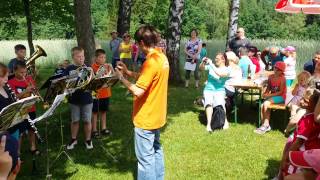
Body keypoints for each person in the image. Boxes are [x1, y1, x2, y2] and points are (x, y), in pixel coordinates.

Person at [115, 25, 169, 180]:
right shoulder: (162, 57)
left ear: (141, 42)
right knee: (156, 149)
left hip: (146, 117)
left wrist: (121, 78)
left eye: (137, 43)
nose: (136, 46)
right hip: (157, 115)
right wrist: (128, 72)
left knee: (145, 159)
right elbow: (147, 77)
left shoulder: (151, 61)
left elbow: (138, 91)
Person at [276, 88, 320, 179]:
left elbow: (299, 142)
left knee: (291, 171)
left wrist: (287, 155)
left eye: (306, 101)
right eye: (302, 98)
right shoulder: (311, 117)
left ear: (315, 106)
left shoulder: (308, 120)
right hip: (311, 154)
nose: (301, 101)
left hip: (302, 152)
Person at [8, 61, 39, 155]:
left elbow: (35, 92)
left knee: (31, 129)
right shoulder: (10, 82)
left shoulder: (29, 78)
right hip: (19, 111)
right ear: (14, 71)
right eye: (21, 72)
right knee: (20, 132)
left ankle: (33, 147)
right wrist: (25, 90)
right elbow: (14, 98)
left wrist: (35, 92)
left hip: (31, 109)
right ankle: (17, 153)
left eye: (25, 72)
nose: (24, 74)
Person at [65, 47, 93, 150]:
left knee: (87, 120)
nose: (81, 58)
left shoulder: (88, 67)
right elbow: (65, 83)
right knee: (75, 120)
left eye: (83, 56)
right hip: (74, 100)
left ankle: (88, 139)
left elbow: (93, 81)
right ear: (73, 57)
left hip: (87, 99)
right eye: (79, 56)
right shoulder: (69, 69)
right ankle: (73, 139)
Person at [200, 53, 230, 132]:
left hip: (219, 90)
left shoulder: (227, 69)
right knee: (208, 103)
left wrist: (211, 64)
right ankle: (209, 124)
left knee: (220, 103)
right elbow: (201, 68)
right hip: (208, 89)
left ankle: (225, 121)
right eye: (215, 58)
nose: (215, 60)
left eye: (217, 58)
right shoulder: (211, 66)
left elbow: (220, 74)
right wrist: (203, 62)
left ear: (223, 59)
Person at [254, 61, 287, 134]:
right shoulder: (271, 77)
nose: (276, 70)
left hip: (281, 97)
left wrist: (269, 95)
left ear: (282, 71)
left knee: (266, 103)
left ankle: (266, 125)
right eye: (275, 68)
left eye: (278, 69)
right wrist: (265, 93)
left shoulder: (282, 79)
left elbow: (281, 92)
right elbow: (269, 87)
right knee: (262, 105)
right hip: (273, 96)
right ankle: (263, 124)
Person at [91, 49, 112, 138]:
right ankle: (94, 130)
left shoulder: (107, 66)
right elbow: (93, 80)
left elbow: (112, 77)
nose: (103, 59)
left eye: (104, 57)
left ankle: (103, 128)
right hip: (96, 94)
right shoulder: (93, 67)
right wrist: (101, 71)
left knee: (104, 111)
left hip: (106, 93)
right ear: (96, 58)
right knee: (95, 112)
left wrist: (111, 68)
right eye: (101, 57)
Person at [284, 71, 311, 137]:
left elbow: (308, 97)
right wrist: (296, 87)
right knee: (293, 108)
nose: (300, 81)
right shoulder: (298, 85)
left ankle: (293, 126)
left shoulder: (308, 88)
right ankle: (292, 118)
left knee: (300, 114)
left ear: (308, 80)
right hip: (295, 102)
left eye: (302, 80)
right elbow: (293, 94)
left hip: (302, 103)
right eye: (299, 80)